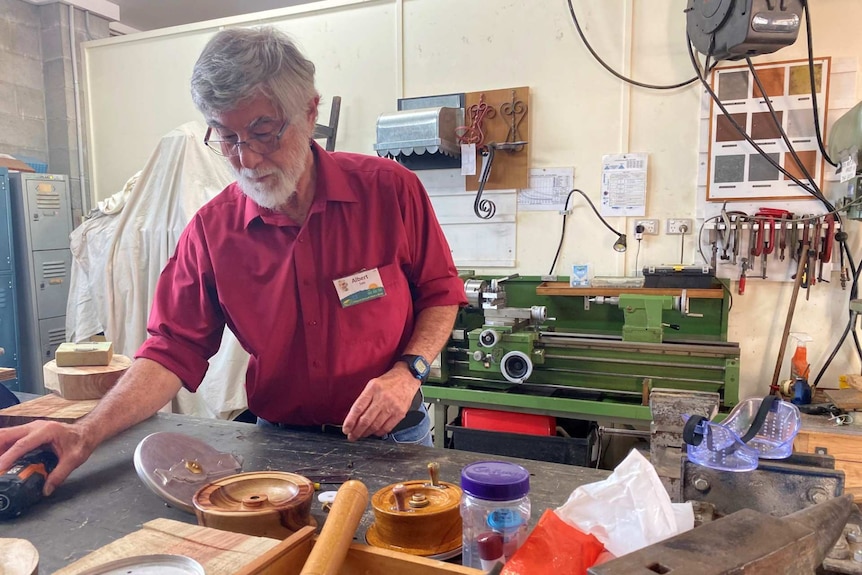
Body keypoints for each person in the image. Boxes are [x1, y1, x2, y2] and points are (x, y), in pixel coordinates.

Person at [0, 26, 466, 496]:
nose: (246, 158)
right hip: (281, 447)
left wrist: (409, 372)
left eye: (263, 132)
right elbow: (170, 351)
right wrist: (85, 433)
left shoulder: (389, 190)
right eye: (226, 138)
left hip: (395, 439)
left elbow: (441, 293)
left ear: (309, 112)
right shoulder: (212, 230)